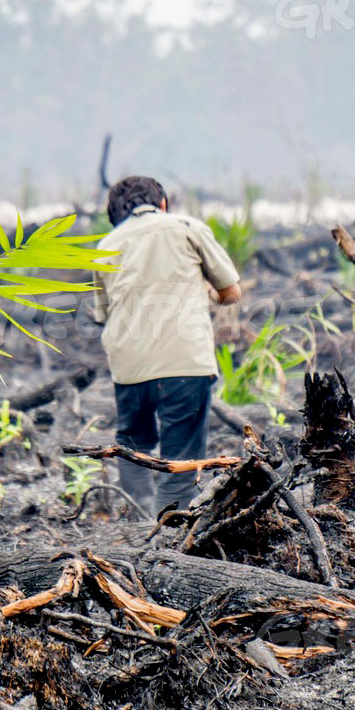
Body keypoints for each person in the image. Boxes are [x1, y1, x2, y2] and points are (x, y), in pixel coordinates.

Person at [92, 176, 242, 516]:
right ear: (162, 203)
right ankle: (167, 531)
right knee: (182, 456)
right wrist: (206, 292)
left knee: (133, 445)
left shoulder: (105, 246)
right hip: (184, 362)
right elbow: (231, 292)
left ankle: (138, 520)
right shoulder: (187, 227)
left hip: (129, 368)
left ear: (115, 214)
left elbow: (102, 314)